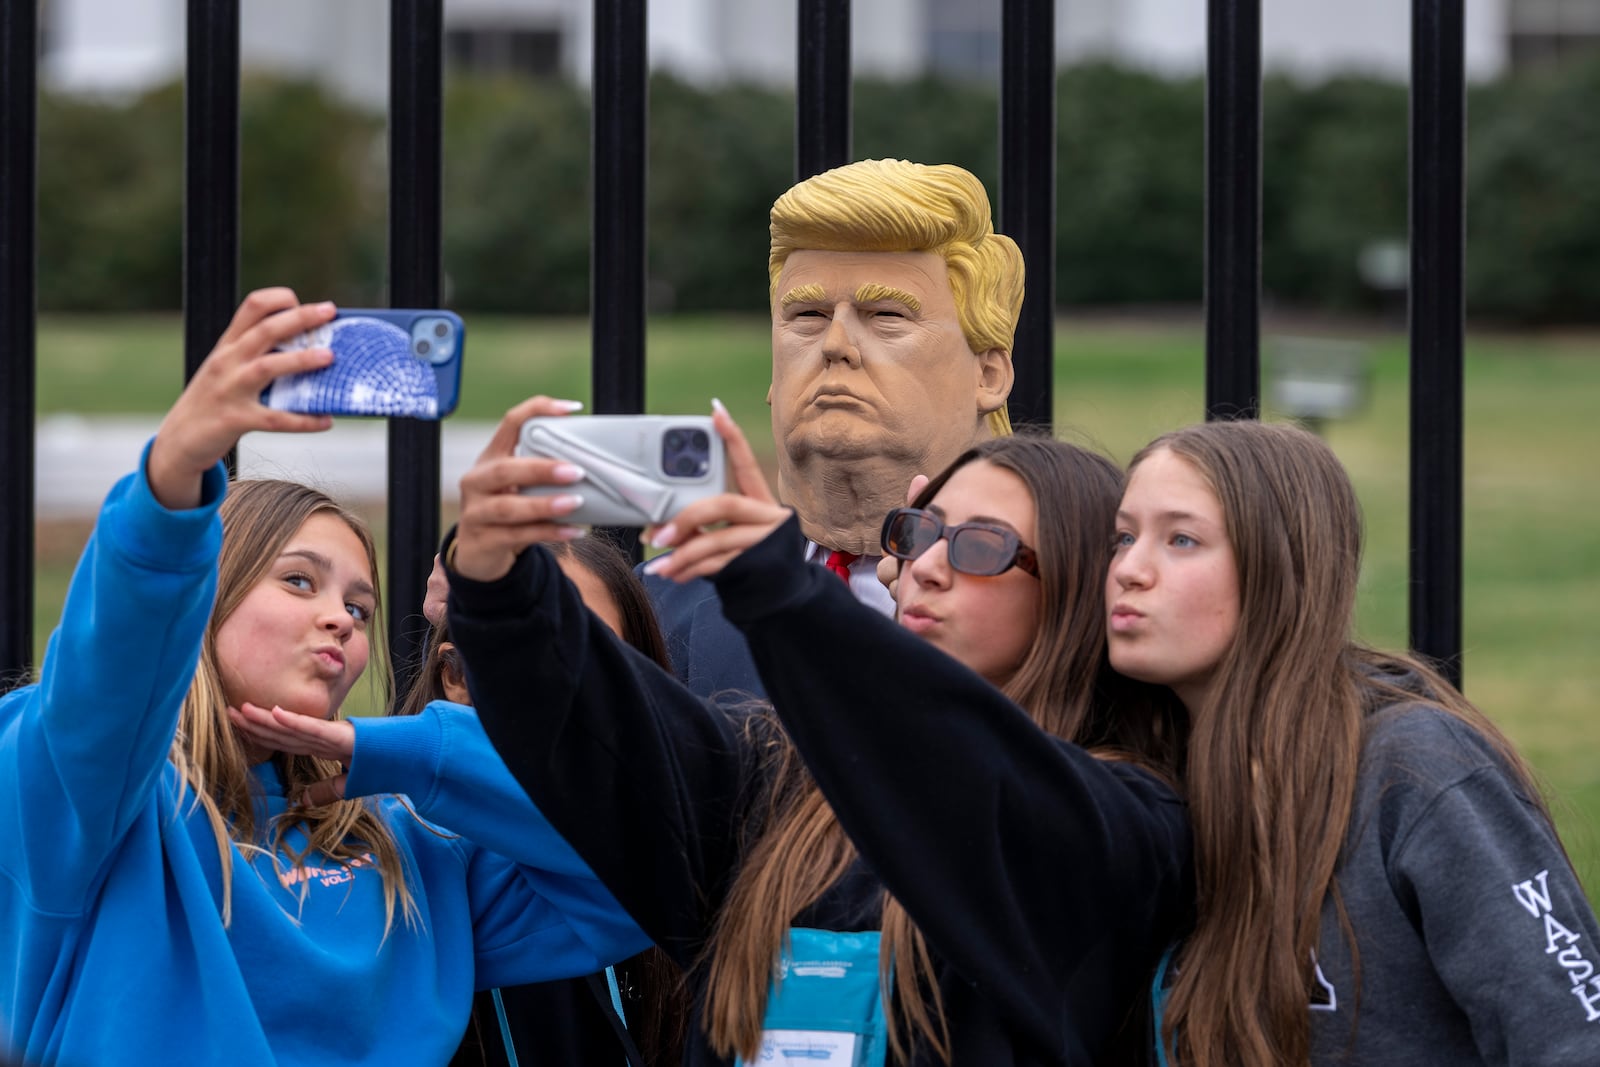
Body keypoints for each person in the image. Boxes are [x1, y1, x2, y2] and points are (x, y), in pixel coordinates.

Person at [0, 290, 649, 1066]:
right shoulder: (88, 801)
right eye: (301, 582)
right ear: (200, 599)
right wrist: (174, 472)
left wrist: (412, 751)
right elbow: (106, 680)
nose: (342, 618)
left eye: (361, 606)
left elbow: (633, 868)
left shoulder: (409, 845)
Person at [440, 395, 1192, 1065]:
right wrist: (502, 585)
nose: (926, 565)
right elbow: (609, 735)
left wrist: (779, 592)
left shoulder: (1127, 820)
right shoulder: (781, 782)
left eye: (982, 546)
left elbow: (975, 780)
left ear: (1073, 589)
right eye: (921, 530)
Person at [1108, 419, 1600, 1065]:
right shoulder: (1145, 780)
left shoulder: (1415, 768)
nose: (1129, 569)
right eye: (1122, 537)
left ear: (1281, 566)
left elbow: (1572, 1035)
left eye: (1181, 538)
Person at [259, 534, 688, 1067]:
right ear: (456, 677)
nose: (564, 679)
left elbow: (651, 867)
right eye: (525, 648)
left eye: (600, 653)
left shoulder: (440, 848)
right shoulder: (425, 844)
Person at [644, 158, 1023, 697]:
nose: (835, 345)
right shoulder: (657, 607)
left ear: (987, 374)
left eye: (887, 316)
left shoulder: (1065, 604)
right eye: (808, 317)